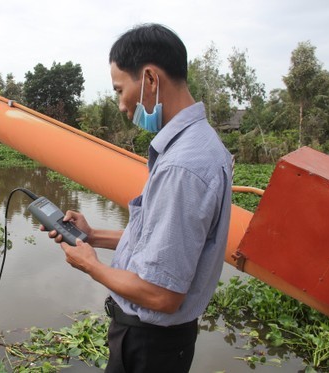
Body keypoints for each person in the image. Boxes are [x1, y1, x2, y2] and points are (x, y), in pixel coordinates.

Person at [43, 23, 233, 372]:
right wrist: (94, 236)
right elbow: (160, 245)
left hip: (150, 347)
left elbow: (162, 295)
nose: (120, 104)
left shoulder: (183, 166)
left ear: (149, 79)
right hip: (155, 343)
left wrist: (90, 265)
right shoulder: (193, 147)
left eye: (119, 90)